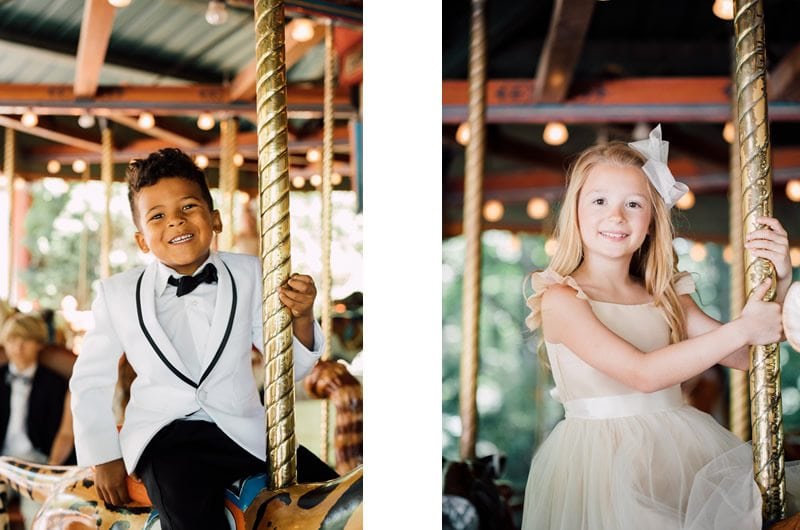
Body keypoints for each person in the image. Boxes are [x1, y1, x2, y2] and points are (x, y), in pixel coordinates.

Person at [521, 125, 798, 530]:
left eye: (634, 204)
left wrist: (781, 280)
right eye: (599, 200)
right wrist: (744, 328)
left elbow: (743, 357)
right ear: (575, 212)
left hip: (680, 452)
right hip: (604, 467)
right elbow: (642, 373)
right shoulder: (561, 298)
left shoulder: (665, 294)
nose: (615, 216)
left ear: (652, 220)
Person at [70, 148, 334, 530]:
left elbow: (284, 370)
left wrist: (303, 317)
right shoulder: (118, 293)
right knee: (192, 516)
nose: (175, 221)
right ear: (143, 240)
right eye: (157, 216)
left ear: (215, 220)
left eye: (188, 207)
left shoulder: (250, 273)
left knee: (332, 496)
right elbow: (90, 380)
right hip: (165, 439)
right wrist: (103, 456)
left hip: (241, 431)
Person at [0, 312, 75, 528]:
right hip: (1, 462)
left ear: (39, 344)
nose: (18, 346)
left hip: (38, 463)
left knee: (41, 516)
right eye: (12, 340)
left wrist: (51, 470)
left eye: (26, 340)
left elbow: (66, 433)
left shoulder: (57, 385)